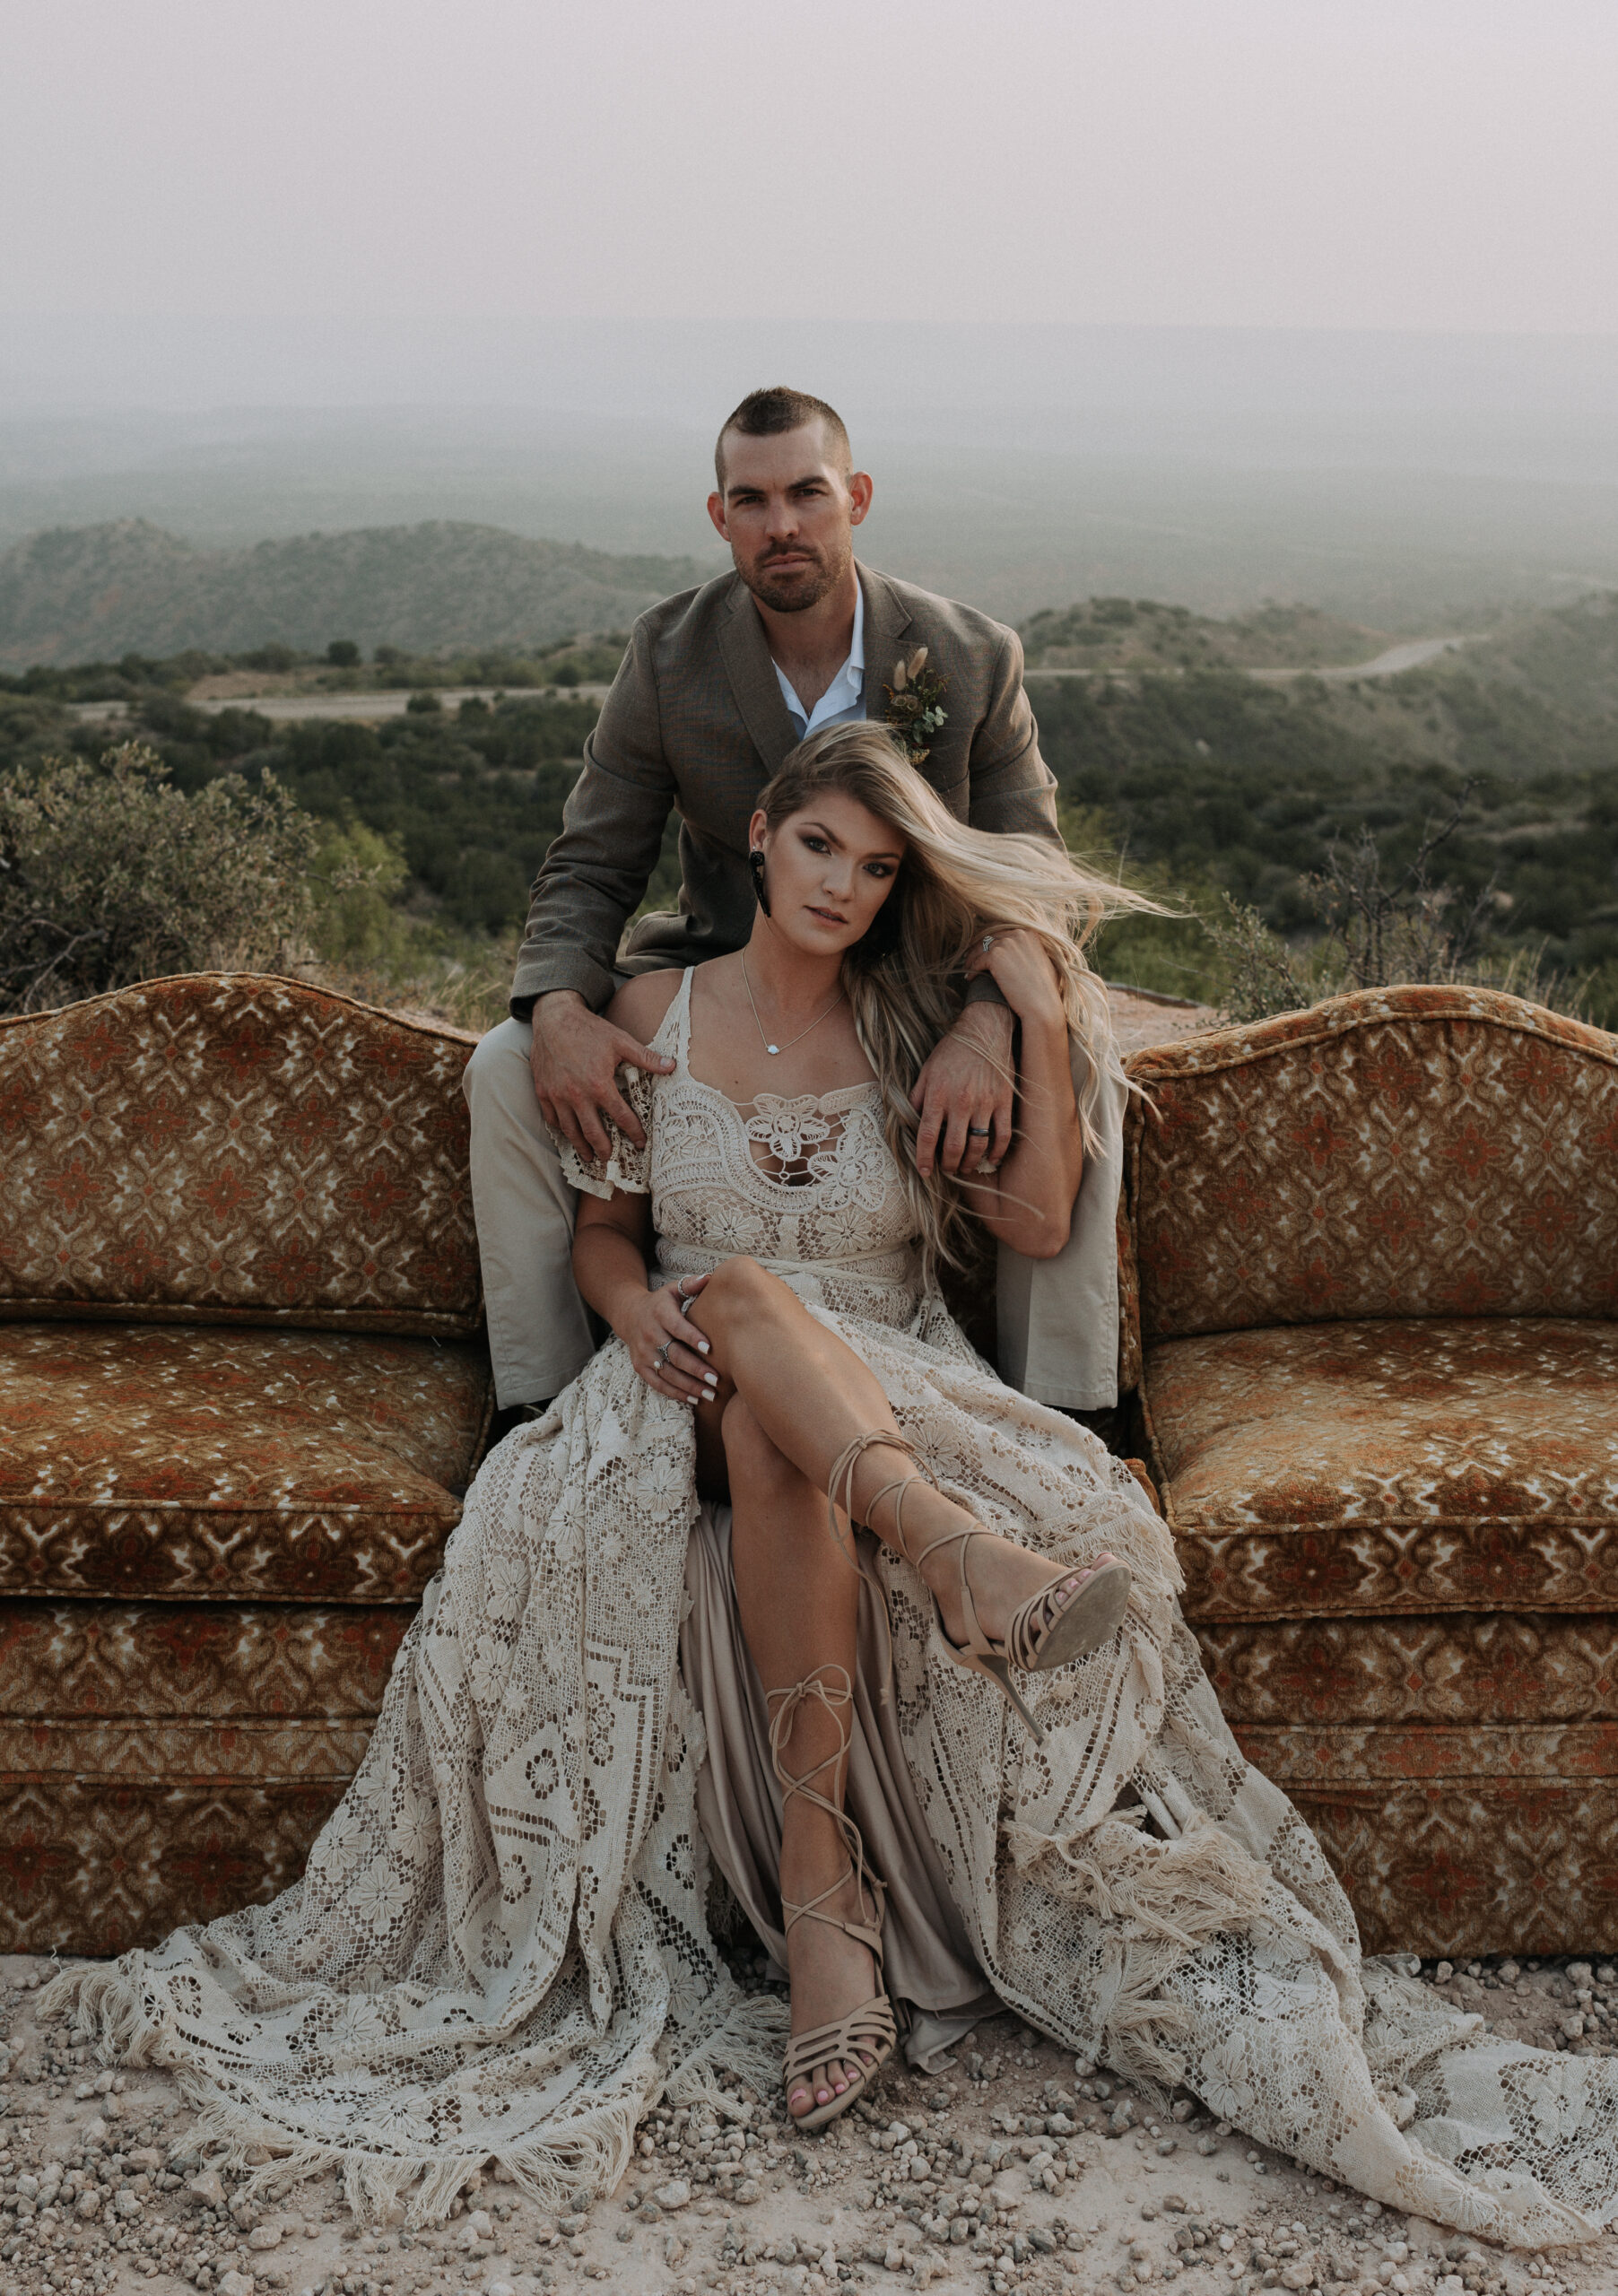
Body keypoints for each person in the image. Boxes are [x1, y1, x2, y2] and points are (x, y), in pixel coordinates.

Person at [56, 728, 1616, 2251]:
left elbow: (1035, 1210)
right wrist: (625, 1311)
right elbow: (606, 1235)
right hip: (677, 1369)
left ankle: (824, 1895)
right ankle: (949, 1561)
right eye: (819, 846)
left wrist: (1021, 996)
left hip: (884, 1371)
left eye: (877, 869)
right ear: (757, 836)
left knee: (772, 1396)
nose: (843, 886)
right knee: (732, 1299)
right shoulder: (646, 1010)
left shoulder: (906, 1025)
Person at [464, 383, 1125, 1431]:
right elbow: (592, 862)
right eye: (752, 500)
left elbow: (1032, 874)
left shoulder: (970, 657)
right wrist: (554, 1011)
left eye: (806, 494)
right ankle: (543, 1403)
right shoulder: (668, 655)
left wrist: (989, 1020)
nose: (782, 526)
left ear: (854, 497)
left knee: (1081, 1061)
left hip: (919, 984)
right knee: (499, 1066)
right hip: (734, 972)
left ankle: (1067, 1410)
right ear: (719, 515)